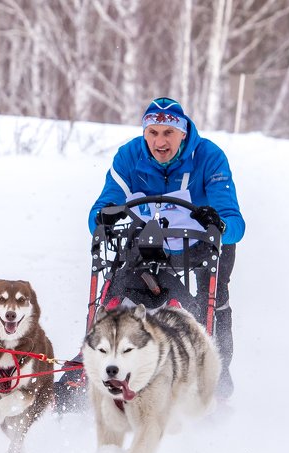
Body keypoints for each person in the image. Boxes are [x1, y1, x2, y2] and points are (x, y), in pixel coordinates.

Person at [87, 97, 245, 398]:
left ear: (183, 133)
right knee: (120, 282)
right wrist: (103, 220)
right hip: (148, 242)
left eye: (168, 133)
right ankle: (100, 360)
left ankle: (216, 379)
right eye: (153, 133)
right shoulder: (129, 156)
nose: (160, 141)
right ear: (145, 133)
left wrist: (218, 224)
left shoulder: (209, 157)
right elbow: (100, 210)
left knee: (214, 300)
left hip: (202, 245)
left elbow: (235, 224)